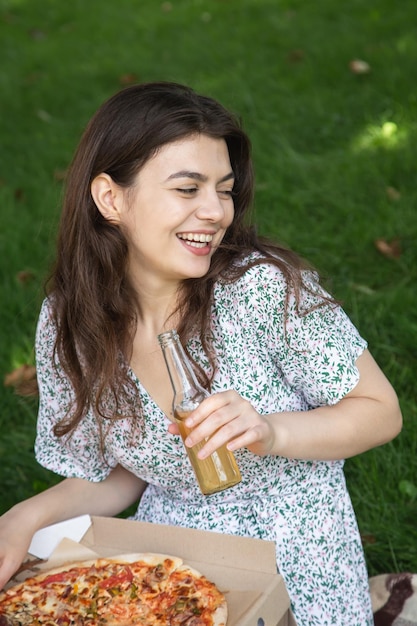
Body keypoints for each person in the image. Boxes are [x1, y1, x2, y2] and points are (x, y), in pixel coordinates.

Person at [0, 81, 402, 625]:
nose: (216, 212)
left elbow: (380, 410)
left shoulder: (263, 289)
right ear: (110, 198)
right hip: (170, 566)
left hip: (300, 558)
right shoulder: (72, 323)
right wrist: (21, 519)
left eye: (225, 189)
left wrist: (273, 432)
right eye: (188, 189)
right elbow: (123, 473)